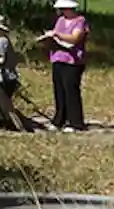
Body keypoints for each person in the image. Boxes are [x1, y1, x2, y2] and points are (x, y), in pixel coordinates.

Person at [40, 0, 89, 132]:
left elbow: (75, 38)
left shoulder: (80, 20)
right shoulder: (60, 20)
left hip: (73, 60)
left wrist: (58, 35)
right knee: (59, 90)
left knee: (71, 91)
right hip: (58, 58)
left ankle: (75, 122)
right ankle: (59, 120)